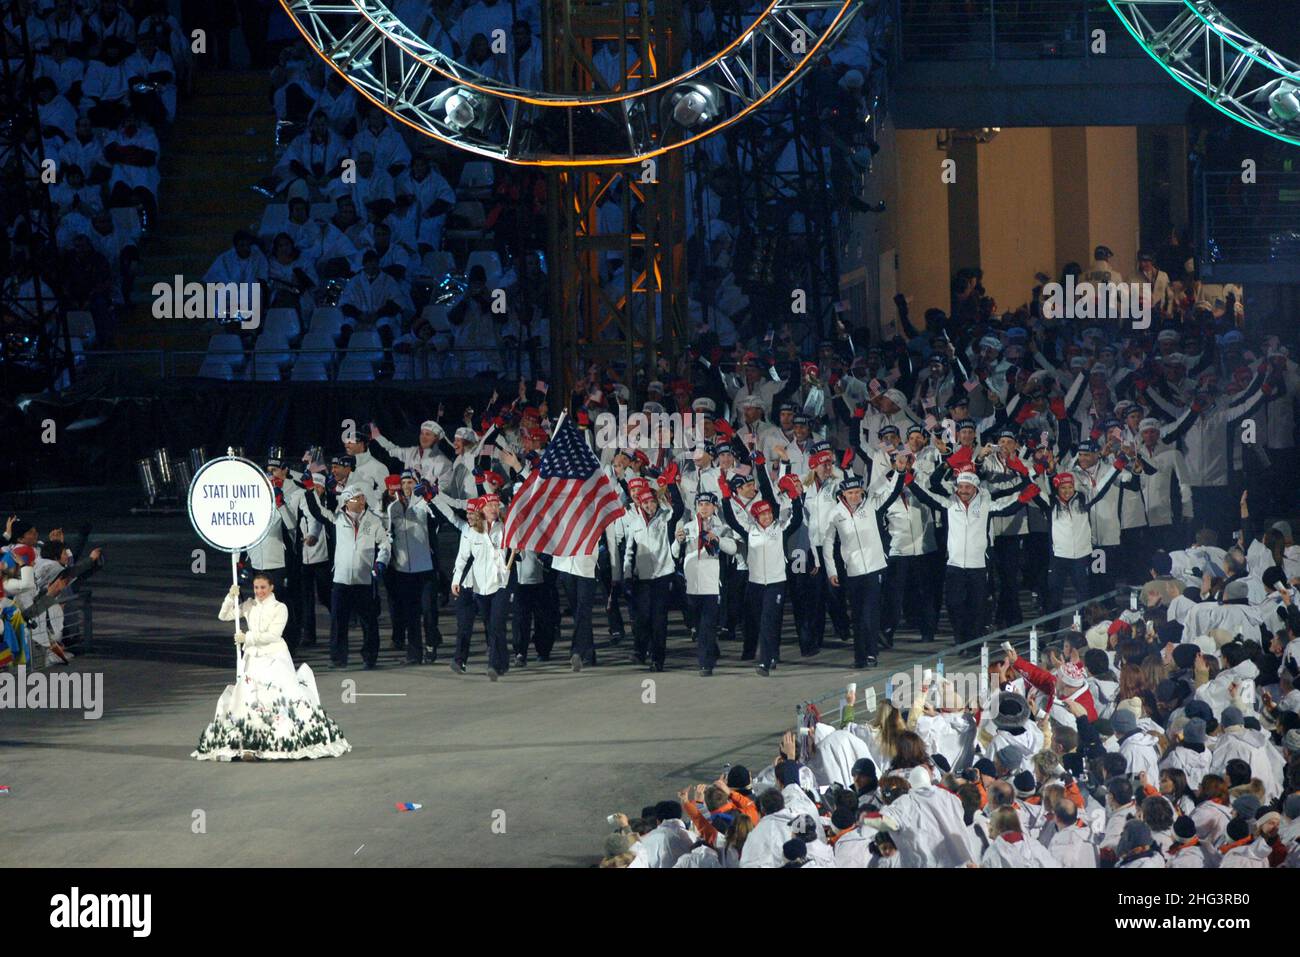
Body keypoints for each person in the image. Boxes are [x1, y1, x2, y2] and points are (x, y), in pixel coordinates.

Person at [193, 577, 350, 761]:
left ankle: (280, 741)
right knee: (250, 699)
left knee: (278, 698)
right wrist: (230, 597)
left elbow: (274, 635)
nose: (259, 591)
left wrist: (247, 638)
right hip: (253, 659)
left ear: (271, 587)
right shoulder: (249, 605)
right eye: (256, 587)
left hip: (274, 658)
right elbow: (224, 616)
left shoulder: (279, 608)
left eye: (263, 587)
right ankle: (250, 744)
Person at [302, 485, 390, 669]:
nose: (361, 501)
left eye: (362, 497)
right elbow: (316, 511)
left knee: (369, 621)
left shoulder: (373, 521)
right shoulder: (337, 519)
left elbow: (385, 544)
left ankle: (370, 658)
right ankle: (338, 658)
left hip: (364, 580)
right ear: (347, 502)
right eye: (357, 498)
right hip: (341, 580)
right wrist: (310, 492)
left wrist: (381, 562)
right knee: (338, 621)